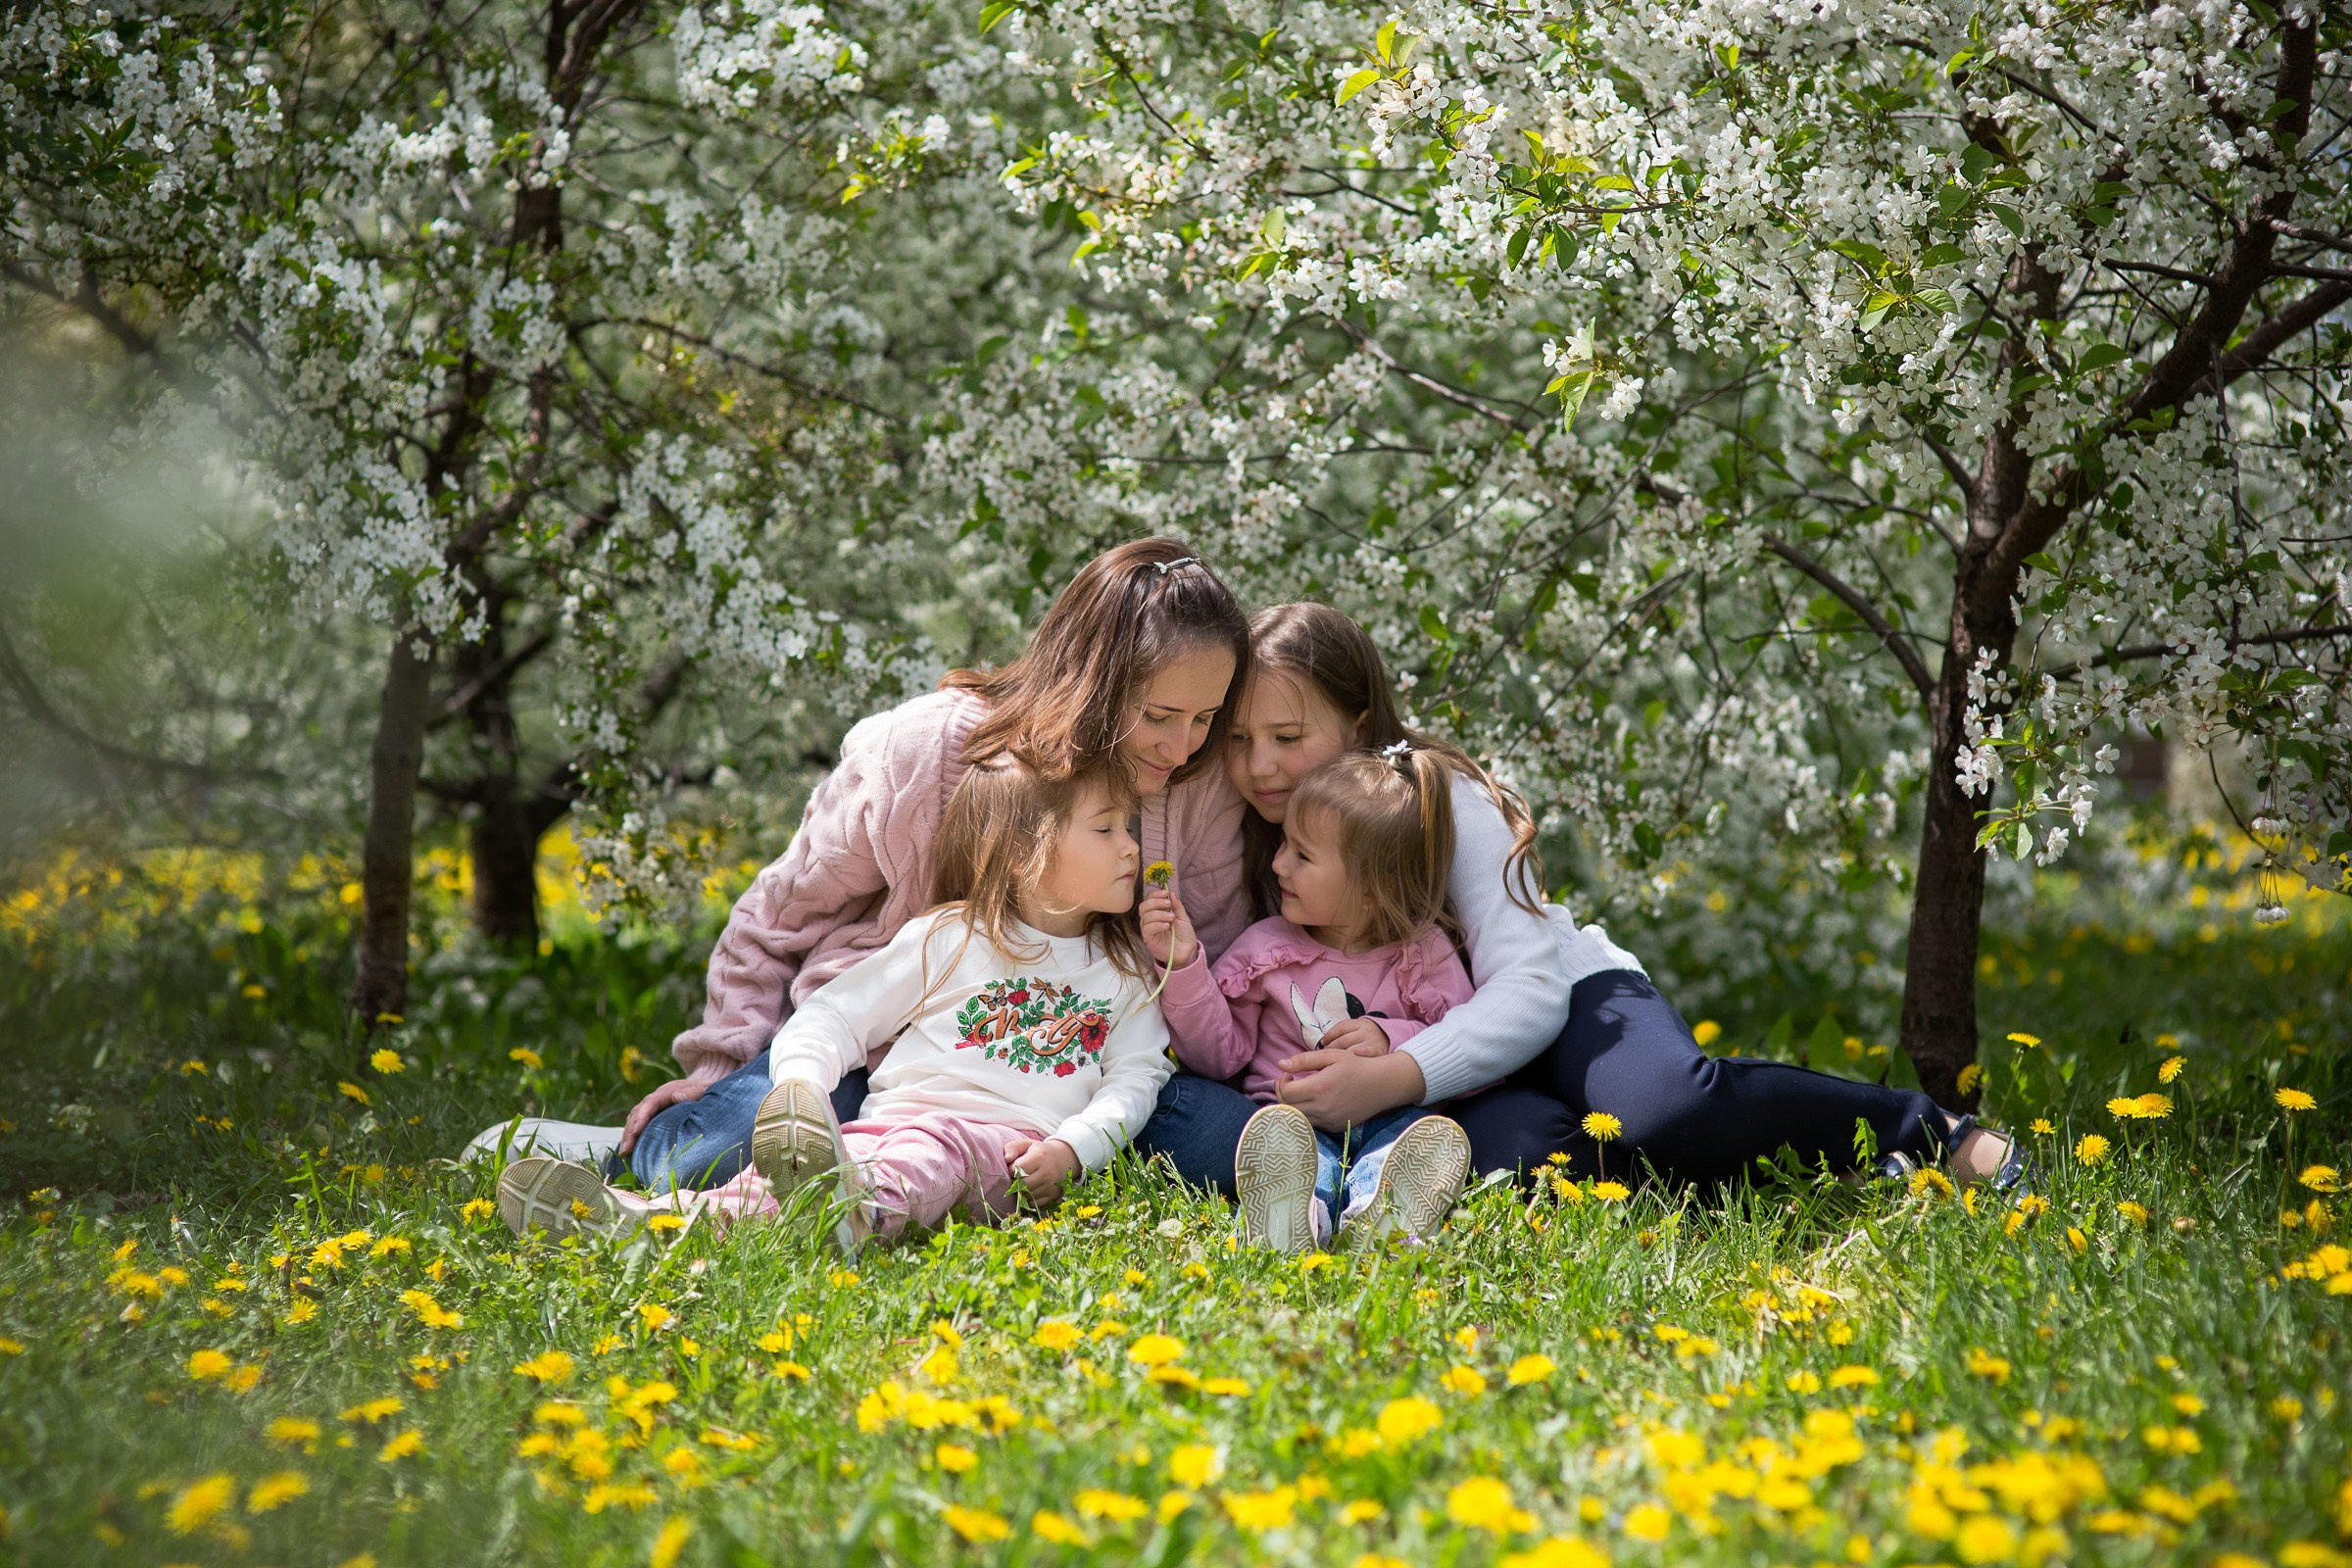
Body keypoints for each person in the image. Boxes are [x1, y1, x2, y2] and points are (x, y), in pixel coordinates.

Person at [1135, 603, 2021, 1193]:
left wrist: (1390, 1075)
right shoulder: (1255, 830)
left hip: (1565, 1004)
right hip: (1456, 1081)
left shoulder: (1444, 803)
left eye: (1288, 736)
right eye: (1239, 737)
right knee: (1534, 1168)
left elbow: (1526, 991)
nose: (1259, 766)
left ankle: (1923, 1128)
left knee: (1668, 1109)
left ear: (1361, 725)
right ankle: (1713, 1181)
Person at [466, 538, 1253, 1191]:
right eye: (1158, 716)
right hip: (887, 1060)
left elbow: (1195, 976)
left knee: (1230, 1138)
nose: (1182, 747)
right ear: (1092, 675)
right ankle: (626, 1150)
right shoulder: (930, 748)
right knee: (720, 1149)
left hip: (1070, 1076)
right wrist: (722, 1063)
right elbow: (781, 912)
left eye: (1205, 720)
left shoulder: (1196, 787)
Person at [497, 756, 1171, 1250]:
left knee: (932, 1157)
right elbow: (835, 1015)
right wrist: (803, 1091)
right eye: (1106, 829)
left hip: (1007, 1155)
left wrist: (1074, 1150)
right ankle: (657, 1221)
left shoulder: (1124, 971)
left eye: (1128, 828)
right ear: (1025, 855)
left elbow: (1138, 1077)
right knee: (803, 1175)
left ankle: (844, 1216)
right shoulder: (949, 937)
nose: (1132, 846)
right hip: (882, 1132)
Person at [1142, 745, 1474, 1251]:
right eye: (1284, 844)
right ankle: (1296, 1215)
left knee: (1404, 1145)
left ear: (1370, 887)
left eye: (1301, 854)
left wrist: (1393, 1038)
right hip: (1293, 1117)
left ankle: (1384, 1215)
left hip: (1394, 1117)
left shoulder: (1423, 954)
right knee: (1295, 1155)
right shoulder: (1266, 948)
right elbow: (1219, 1055)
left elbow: (1465, 1048)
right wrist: (1184, 965)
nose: (1278, 864)